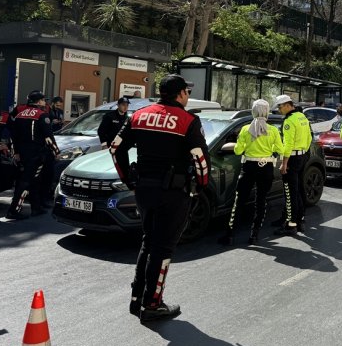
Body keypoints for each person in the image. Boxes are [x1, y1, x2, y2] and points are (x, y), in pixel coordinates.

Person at [110, 75, 210, 323]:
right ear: (180, 94)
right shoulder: (188, 120)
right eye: (186, 91)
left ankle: (138, 299)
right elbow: (199, 158)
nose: (187, 96)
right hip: (173, 193)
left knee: (148, 242)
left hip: (144, 189)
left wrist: (129, 181)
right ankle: (153, 304)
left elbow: (115, 148)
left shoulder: (139, 115)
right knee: (163, 248)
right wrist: (201, 185)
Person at [218, 99, 282, 246]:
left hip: (248, 168)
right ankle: (254, 235)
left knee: (239, 201)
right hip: (266, 168)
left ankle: (230, 235)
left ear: (253, 111)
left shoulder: (246, 129)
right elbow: (281, 149)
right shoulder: (273, 130)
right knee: (261, 201)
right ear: (267, 112)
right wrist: (271, 154)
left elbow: (238, 150)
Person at [7, 91, 60, 219]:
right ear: (38, 101)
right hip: (36, 154)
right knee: (26, 182)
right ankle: (13, 211)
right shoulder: (42, 115)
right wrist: (56, 152)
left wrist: (16, 153)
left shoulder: (20, 114)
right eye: (43, 100)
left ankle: (36, 208)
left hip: (22, 153)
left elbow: (13, 136)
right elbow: (49, 138)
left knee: (34, 180)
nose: (44, 102)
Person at [274, 94, 312, 236]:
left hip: (292, 158)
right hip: (302, 156)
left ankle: (291, 225)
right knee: (299, 189)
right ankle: (300, 220)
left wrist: (284, 163)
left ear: (287, 105)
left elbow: (288, 144)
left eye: (280, 106)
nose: (279, 109)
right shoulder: (302, 117)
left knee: (290, 193)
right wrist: (304, 153)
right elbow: (309, 138)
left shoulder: (289, 121)